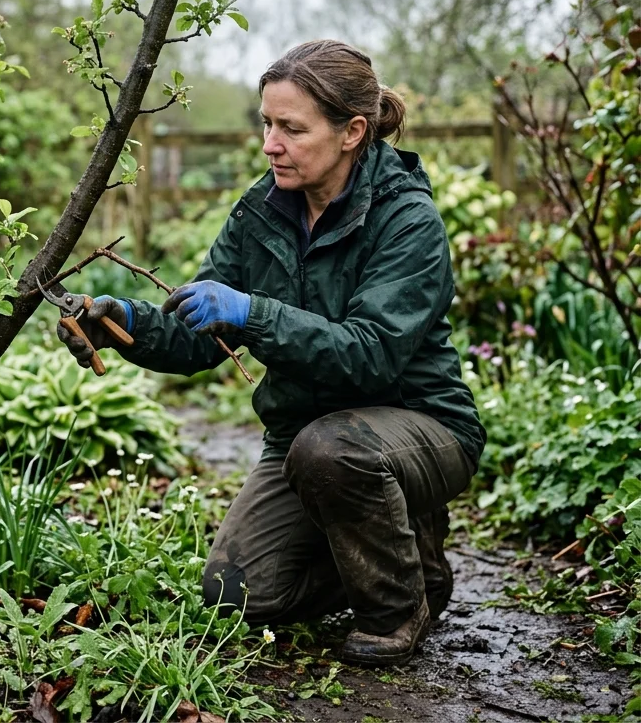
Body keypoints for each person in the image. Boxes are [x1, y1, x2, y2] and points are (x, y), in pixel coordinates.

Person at [56, 39, 484, 667]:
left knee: (333, 451)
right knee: (235, 595)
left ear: (351, 132)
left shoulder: (406, 220)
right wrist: (125, 322)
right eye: (266, 122)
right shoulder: (263, 210)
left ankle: (399, 606)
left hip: (421, 427)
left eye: (291, 128)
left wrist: (254, 312)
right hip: (305, 440)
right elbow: (200, 335)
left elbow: (372, 356)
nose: (270, 143)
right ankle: (396, 558)